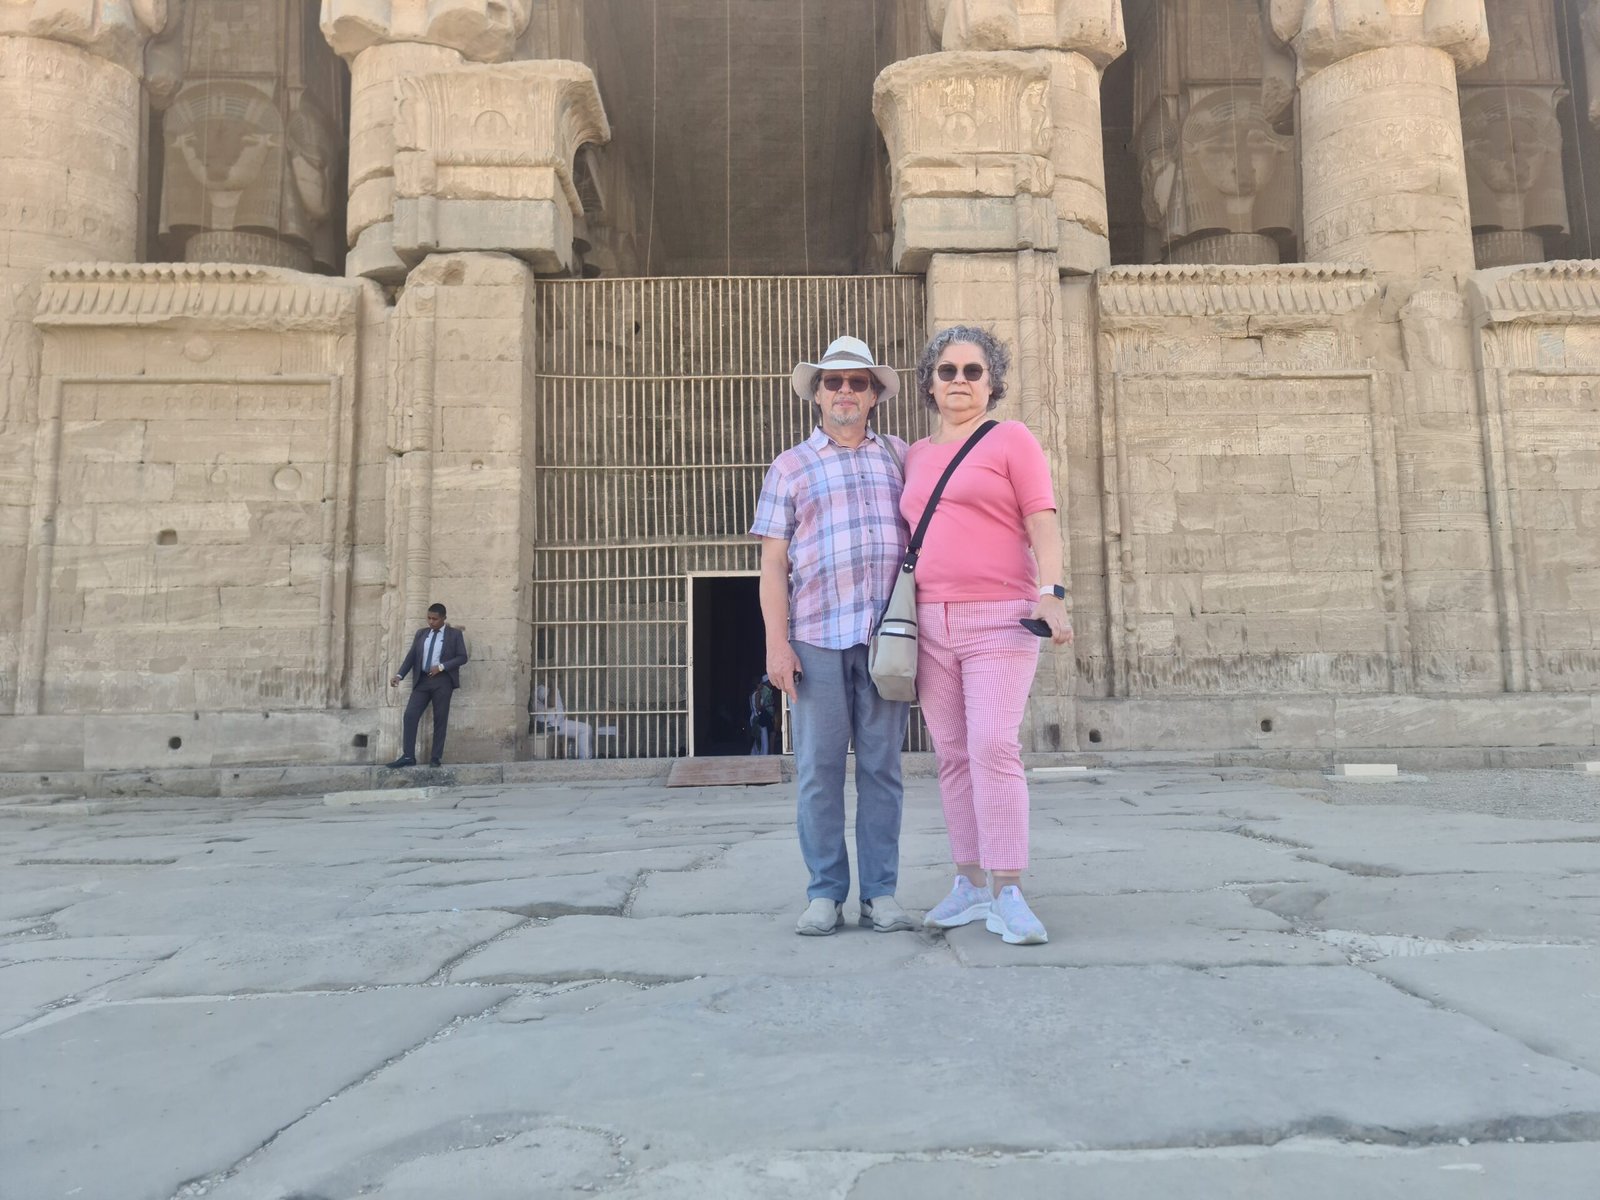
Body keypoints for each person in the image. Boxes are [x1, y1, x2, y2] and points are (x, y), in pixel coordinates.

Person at [902, 326, 1071, 946]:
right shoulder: (914, 456)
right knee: (951, 755)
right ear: (929, 383)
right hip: (930, 621)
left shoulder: (1011, 439)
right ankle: (970, 881)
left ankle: (1008, 889)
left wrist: (1051, 593)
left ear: (991, 382)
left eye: (973, 371)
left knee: (994, 747)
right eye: (947, 371)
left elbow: (1041, 521)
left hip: (999, 617)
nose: (960, 381)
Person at [751, 335, 916, 936]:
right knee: (819, 772)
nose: (845, 390)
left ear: (873, 396)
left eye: (857, 382)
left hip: (885, 639)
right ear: (817, 395)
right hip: (816, 636)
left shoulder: (900, 457)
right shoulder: (790, 466)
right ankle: (825, 893)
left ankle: (880, 894)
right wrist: (776, 644)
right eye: (833, 381)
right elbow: (773, 564)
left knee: (882, 770)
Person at [387, 602, 469, 768]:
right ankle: (408, 756)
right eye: (429, 618)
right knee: (410, 715)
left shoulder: (454, 635)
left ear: (444, 618)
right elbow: (411, 656)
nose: (431, 622)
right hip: (422, 681)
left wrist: (441, 667)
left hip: (443, 681)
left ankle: (435, 758)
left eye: (435, 619)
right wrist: (399, 675)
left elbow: (462, 657)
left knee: (440, 718)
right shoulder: (421, 634)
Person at [748, 673, 780, 755]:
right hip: (760, 718)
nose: (761, 685)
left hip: (753, 717)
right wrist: (766, 706)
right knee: (764, 737)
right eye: (760, 683)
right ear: (757, 684)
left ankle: (755, 753)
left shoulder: (751, 694)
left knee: (757, 736)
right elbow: (758, 707)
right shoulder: (758, 693)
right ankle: (763, 753)